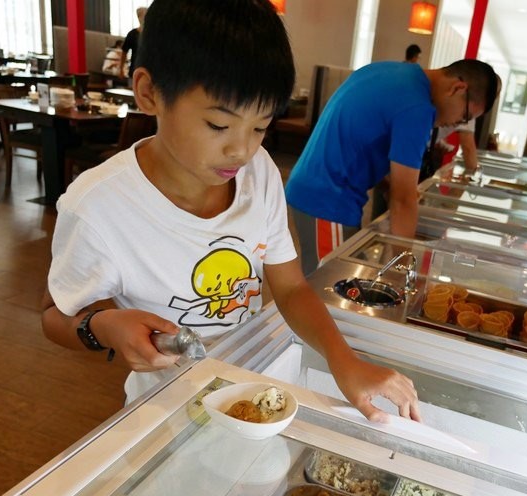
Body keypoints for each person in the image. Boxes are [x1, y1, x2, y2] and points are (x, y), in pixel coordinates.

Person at [41, 0, 420, 423]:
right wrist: (105, 327)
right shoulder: (99, 205)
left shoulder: (260, 175)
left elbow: (291, 288)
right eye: (219, 125)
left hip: (254, 386)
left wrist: (343, 361)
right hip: (168, 409)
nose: (241, 150)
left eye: (259, 127)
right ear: (149, 93)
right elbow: (55, 314)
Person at [286, 59, 499, 274]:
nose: (456, 124)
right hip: (326, 198)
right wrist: (402, 269)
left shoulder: (391, 71)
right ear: (457, 88)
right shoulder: (419, 108)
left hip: (317, 187)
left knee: (342, 276)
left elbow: (362, 140)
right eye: (464, 117)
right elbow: (404, 199)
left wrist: (389, 186)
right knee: (329, 285)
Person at [119, 6, 147, 81]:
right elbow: (124, 52)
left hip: (149, 71)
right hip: (134, 71)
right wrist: (121, 69)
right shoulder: (132, 34)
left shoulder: (151, 34)